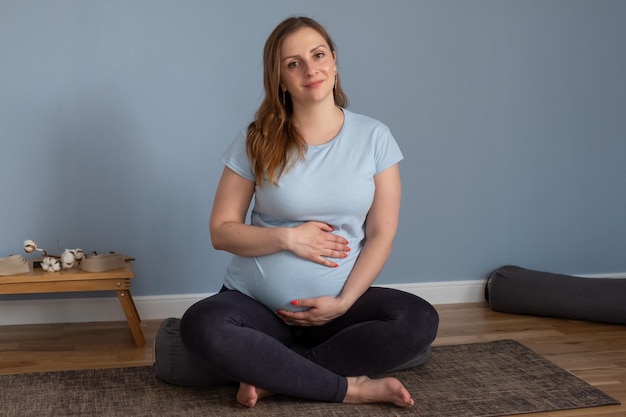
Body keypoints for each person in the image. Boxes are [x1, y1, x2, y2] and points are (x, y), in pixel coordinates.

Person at [179, 16, 439, 408]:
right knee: (200, 325)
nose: (310, 69)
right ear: (280, 78)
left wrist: (345, 302)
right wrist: (288, 237)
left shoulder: (374, 137)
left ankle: (275, 378)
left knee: (419, 319)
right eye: (293, 63)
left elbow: (382, 233)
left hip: (337, 309)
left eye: (318, 55)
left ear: (334, 61)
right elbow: (221, 231)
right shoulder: (257, 138)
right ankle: (349, 388)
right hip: (257, 306)